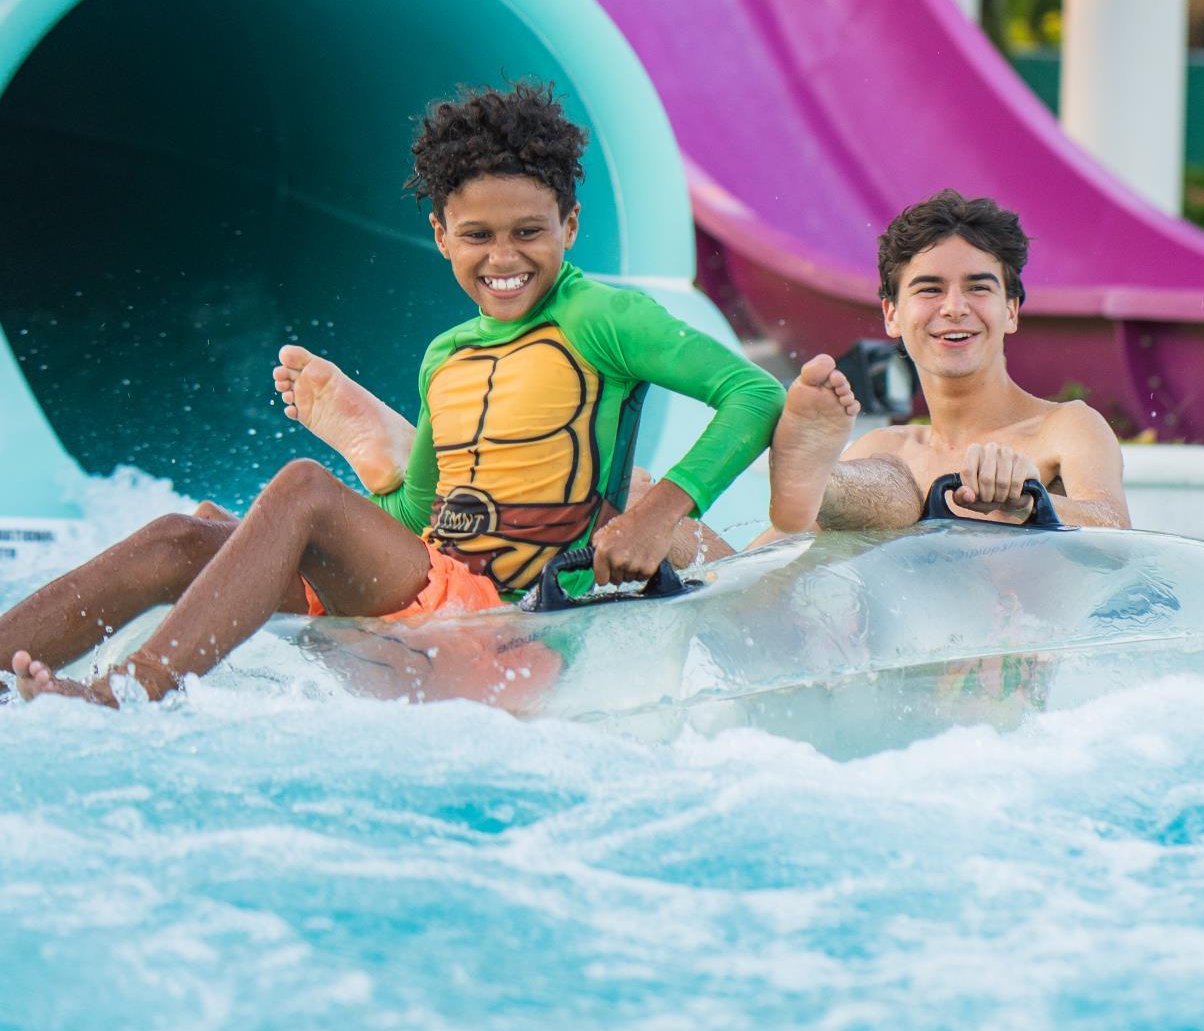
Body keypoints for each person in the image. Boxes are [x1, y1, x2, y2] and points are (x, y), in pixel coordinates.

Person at [4, 82, 845, 706]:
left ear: (571, 227)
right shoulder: (447, 356)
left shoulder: (599, 316)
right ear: (440, 234)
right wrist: (250, 545)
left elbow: (749, 391)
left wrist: (658, 510)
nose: (503, 256)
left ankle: (132, 694)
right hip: (432, 581)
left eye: (529, 232)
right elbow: (418, 514)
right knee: (179, 537)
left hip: (511, 615)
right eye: (477, 235)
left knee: (300, 486)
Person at [767, 190, 1131, 537]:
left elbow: (1114, 531)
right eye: (930, 289)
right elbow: (748, 568)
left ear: (1010, 310)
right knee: (891, 471)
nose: (955, 308)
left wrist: (1029, 501)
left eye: (978, 288)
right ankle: (825, 488)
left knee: (897, 479)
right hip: (905, 589)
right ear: (892, 315)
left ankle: (823, 489)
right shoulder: (888, 448)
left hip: (1017, 603)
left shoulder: (1063, 427)